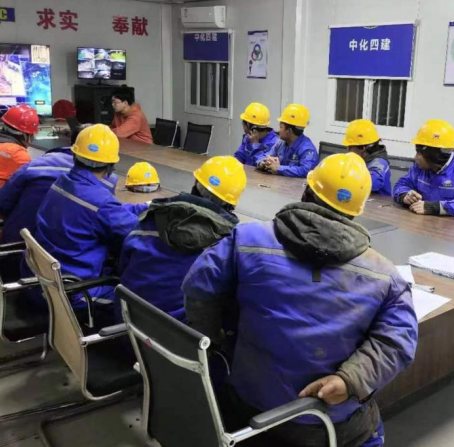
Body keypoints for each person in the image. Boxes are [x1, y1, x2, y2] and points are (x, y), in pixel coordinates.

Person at [183, 153, 418, 447]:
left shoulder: (245, 239)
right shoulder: (385, 274)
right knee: (370, 420)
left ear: (307, 191)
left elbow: (197, 286)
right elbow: (400, 339)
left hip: (246, 408)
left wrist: (217, 339)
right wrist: (350, 380)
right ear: (355, 212)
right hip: (322, 423)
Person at [24, 124, 138, 319]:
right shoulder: (100, 203)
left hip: (41, 282)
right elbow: (137, 234)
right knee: (143, 300)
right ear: (111, 164)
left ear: (75, 154)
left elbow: (106, 212)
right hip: (75, 293)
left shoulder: (62, 182)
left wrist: (146, 207)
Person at [117, 156, 245, 323]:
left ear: (195, 184)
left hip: (125, 319)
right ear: (231, 204)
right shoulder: (226, 245)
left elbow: (122, 265)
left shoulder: (152, 218)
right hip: (174, 334)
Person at [0, 125, 117, 245]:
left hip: (18, 243)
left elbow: (0, 202)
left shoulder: (36, 166)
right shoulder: (108, 181)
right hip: (60, 250)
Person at [393, 119, 454, 217]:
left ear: (433, 155)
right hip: (426, 223)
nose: (415, 157)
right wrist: (404, 195)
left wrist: (437, 207)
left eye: (419, 153)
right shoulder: (420, 167)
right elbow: (401, 184)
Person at [256, 103, 318, 178]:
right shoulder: (281, 143)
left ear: (289, 131)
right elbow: (265, 155)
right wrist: (263, 163)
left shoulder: (307, 149)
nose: (279, 131)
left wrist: (278, 168)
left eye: (281, 127)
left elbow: (306, 171)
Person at [343, 119, 392, 196]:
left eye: (350, 147)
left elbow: (374, 183)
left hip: (378, 202)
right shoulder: (360, 159)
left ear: (363, 148)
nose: (348, 151)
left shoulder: (379, 162)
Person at [234, 102, 278, 167]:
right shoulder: (248, 137)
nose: (243, 128)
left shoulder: (274, 144)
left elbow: (261, 166)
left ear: (248, 125)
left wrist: (254, 145)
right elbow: (239, 156)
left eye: (243, 125)